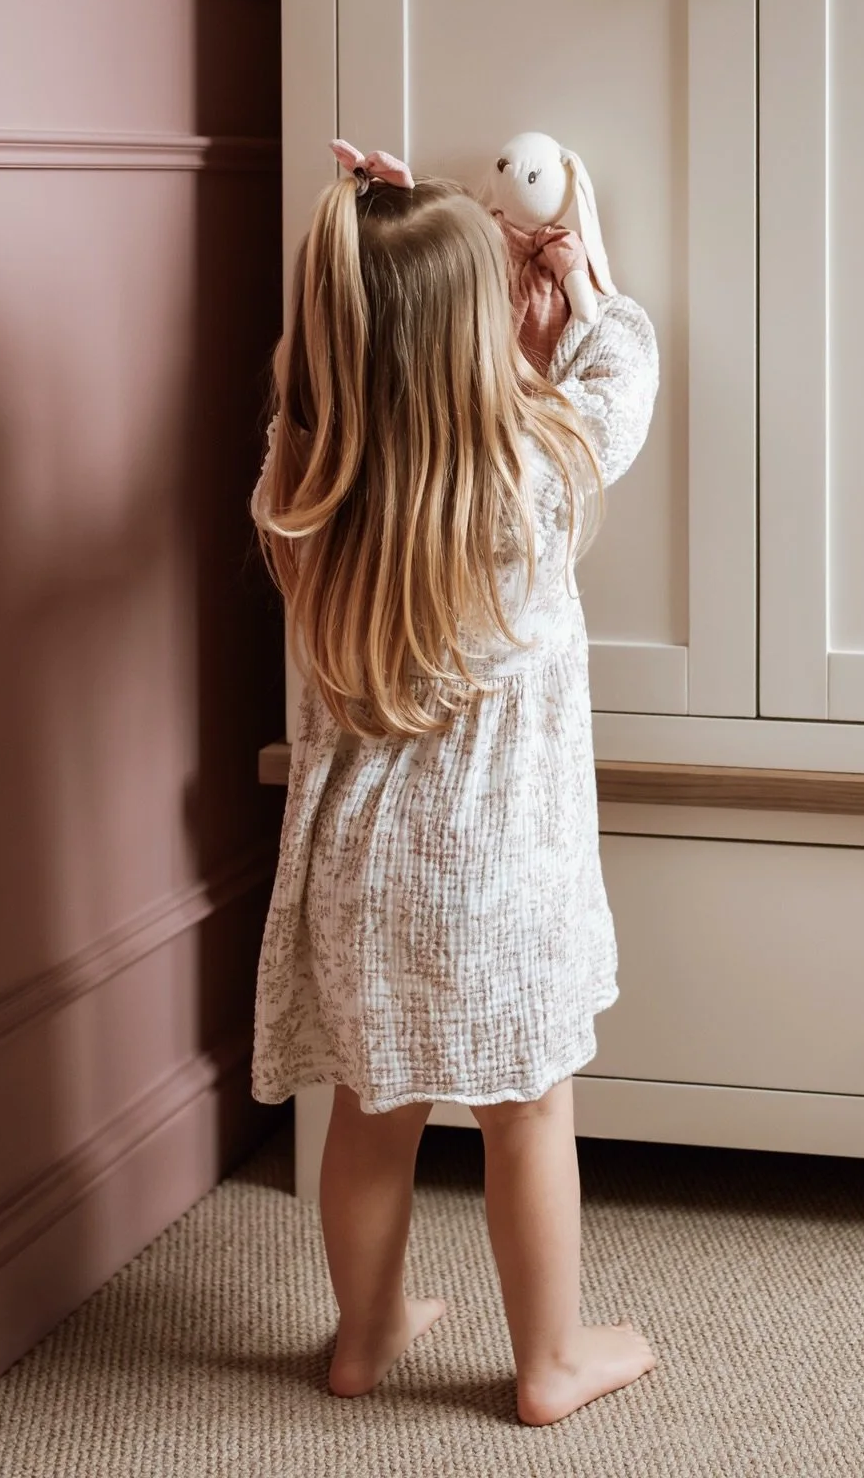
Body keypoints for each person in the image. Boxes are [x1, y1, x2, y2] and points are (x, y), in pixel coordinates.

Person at [249, 139, 659, 1425]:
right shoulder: (533, 484)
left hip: (363, 883)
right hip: (504, 884)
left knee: (371, 1118)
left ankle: (363, 1337)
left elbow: (361, 384)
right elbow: (621, 380)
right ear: (475, 348)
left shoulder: (296, 487)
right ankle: (549, 1362)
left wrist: (382, 241)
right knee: (527, 1114)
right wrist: (580, 285)